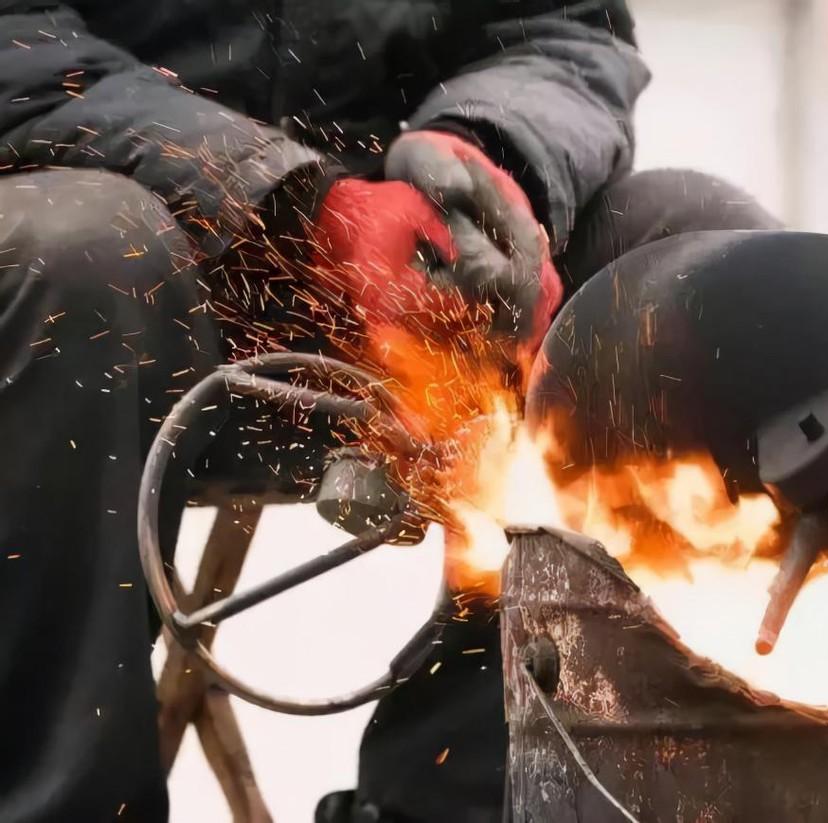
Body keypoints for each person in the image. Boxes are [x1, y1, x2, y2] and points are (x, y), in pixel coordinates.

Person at [0, 2, 780, 820]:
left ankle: (458, 797)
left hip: (384, 265)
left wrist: (485, 163)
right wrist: (298, 207)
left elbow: (563, 26)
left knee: (689, 267)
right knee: (75, 253)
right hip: (103, 270)